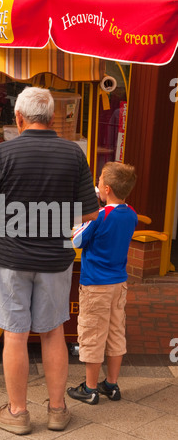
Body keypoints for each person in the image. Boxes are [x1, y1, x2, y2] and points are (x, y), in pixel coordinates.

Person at [0, 86, 99, 434]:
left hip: (9, 258)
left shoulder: (2, 153)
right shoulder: (74, 155)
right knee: (52, 331)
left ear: (19, 118)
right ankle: (57, 411)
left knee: (14, 334)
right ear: (53, 118)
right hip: (56, 260)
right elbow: (90, 214)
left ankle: (17, 413)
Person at [67, 162, 137, 405]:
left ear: (106, 189)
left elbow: (76, 240)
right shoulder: (131, 214)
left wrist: (90, 212)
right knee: (116, 333)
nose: (95, 184)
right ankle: (112, 384)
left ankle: (90, 389)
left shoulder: (99, 216)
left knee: (93, 335)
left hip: (96, 284)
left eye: (98, 182)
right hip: (119, 283)